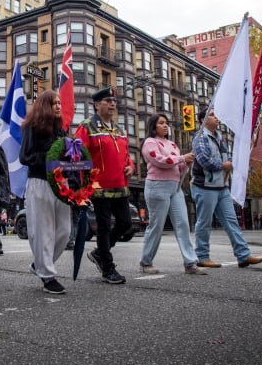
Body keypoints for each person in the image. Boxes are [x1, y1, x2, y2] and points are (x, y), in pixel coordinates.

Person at [190, 107, 262, 268]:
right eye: (211, 115)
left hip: (221, 187)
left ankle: (243, 255)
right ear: (203, 121)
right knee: (204, 222)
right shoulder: (200, 137)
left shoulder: (220, 138)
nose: (216, 118)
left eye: (216, 115)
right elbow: (204, 161)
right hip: (204, 187)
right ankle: (202, 256)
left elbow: (229, 158)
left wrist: (241, 151)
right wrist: (225, 165)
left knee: (232, 222)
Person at [75, 88, 135, 285]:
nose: (112, 104)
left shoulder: (119, 129)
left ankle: (100, 253)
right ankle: (108, 268)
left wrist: (131, 166)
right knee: (103, 227)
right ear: (96, 104)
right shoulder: (87, 127)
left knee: (126, 224)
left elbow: (126, 157)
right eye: (107, 100)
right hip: (99, 187)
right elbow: (77, 155)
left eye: (114, 101)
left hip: (120, 186)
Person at [139, 113, 206, 275]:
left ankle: (190, 263)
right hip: (157, 187)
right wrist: (182, 158)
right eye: (161, 123)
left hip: (175, 187)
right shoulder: (149, 143)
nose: (165, 125)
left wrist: (186, 163)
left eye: (166, 123)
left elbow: (178, 168)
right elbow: (159, 160)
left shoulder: (173, 145)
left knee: (183, 224)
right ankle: (146, 261)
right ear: (153, 126)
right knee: (156, 225)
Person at [19, 90, 69, 294]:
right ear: (44, 106)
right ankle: (47, 275)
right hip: (40, 182)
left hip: (60, 184)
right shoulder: (34, 127)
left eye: (59, 102)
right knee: (42, 231)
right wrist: (51, 157)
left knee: (64, 231)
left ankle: (39, 264)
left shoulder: (61, 130)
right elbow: (25, 157)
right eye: (53, 103)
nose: (58, 106)